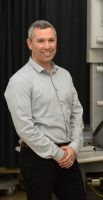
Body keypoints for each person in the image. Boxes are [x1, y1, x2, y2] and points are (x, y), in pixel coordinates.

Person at [4, 20, 86, 200]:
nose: (47, 46)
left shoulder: (65, 75)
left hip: (67, 153)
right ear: (29, 43)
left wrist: (74, 146)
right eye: (41, 41)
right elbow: (25, 128)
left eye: (51, 40)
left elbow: (76, 112)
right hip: (37, 158)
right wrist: (58, 154)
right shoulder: (20, 81)